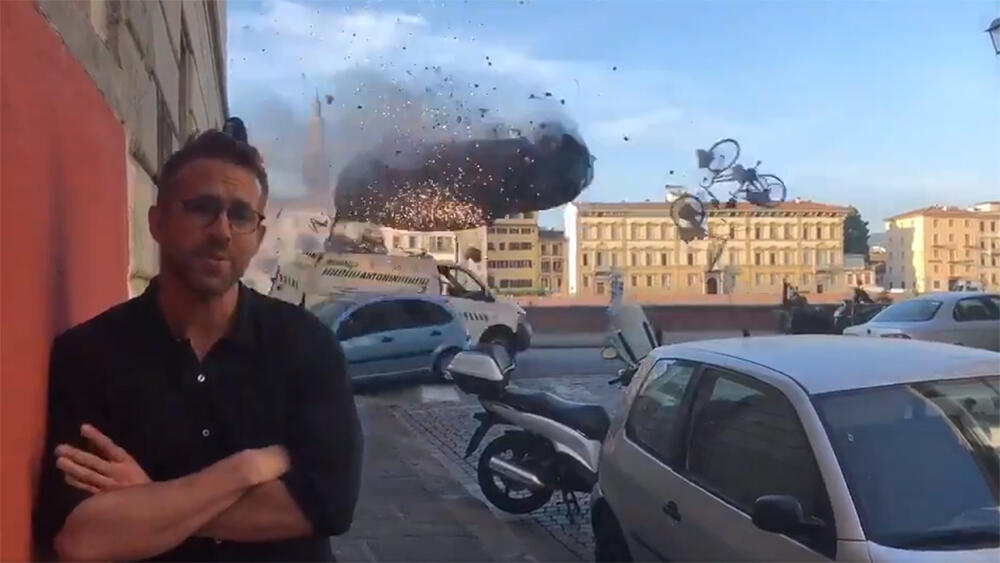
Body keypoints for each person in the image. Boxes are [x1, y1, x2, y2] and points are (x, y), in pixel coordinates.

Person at [32, 130, 363, 562]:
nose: (222, 232)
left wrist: (149, 500)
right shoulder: (89, 355)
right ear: (157, 222)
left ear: (258, 235)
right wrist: (242, 471)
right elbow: (81, 538)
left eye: (240, 215)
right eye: (202, 208)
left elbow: (329, 506)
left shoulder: (307, 346)